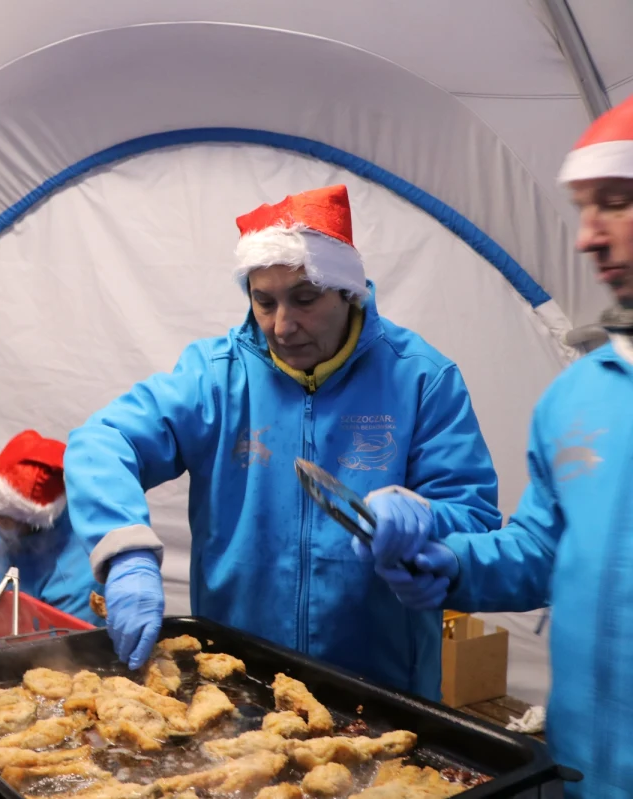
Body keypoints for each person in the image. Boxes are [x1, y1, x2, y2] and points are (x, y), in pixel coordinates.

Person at [64, 185, 501, 697]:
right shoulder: (216, 377)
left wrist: (426, 521)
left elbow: (475, 520)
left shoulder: (419, 378)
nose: (283, 326)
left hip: (382, 691)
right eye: (264, 302)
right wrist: (126, 552)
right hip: (238, 680)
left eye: (305, 299)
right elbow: (103, 441)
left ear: (348, 292)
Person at [371, 95, 633, 796]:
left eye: (615, 203)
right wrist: (449, 561)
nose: (586, 237)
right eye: (584, 209)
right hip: (584, 774)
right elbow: (542, 550)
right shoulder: (578, 398)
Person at [0, 429, 104, 626]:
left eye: (0, 517)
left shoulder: (76, 579)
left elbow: (61, 644)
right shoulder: (0, 510)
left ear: (32, 522)